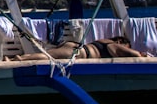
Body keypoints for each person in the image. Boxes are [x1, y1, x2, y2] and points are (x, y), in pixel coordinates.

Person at [8, 36, 143, 61]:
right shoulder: (114, 45)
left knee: (49, 55)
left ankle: (18, 58)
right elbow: (135, 55)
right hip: (79, 53)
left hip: (77, 47)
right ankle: (19, 59)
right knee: (48, 57)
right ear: (120, 41)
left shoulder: (104, 41)